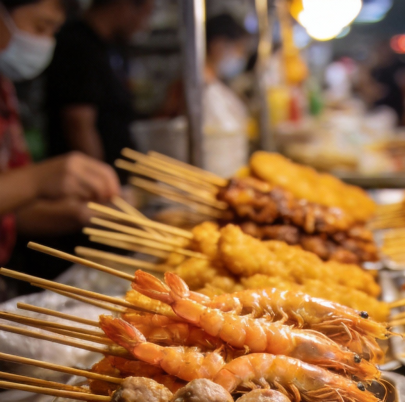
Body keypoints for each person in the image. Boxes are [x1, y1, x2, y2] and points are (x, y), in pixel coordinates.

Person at [0, 0, 118, 274]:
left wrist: (78, 214)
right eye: (40, 26)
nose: (46, 42)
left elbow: (11, 210)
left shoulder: (4, 90)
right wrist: (38, 180)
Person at [45, 0, 154, 172]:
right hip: (85, 180)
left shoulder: (112, 46)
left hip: (117, 174)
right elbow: (78, 122)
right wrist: (100, 179)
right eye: (146, 14)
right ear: (123, 6)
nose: (144, 25)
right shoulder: (77, 44)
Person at [159, 13, 251, 176]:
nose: (241, 57)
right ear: (218, 45)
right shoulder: (188, 87)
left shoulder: (217, 86)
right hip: (199, 176)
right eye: (239, 49)